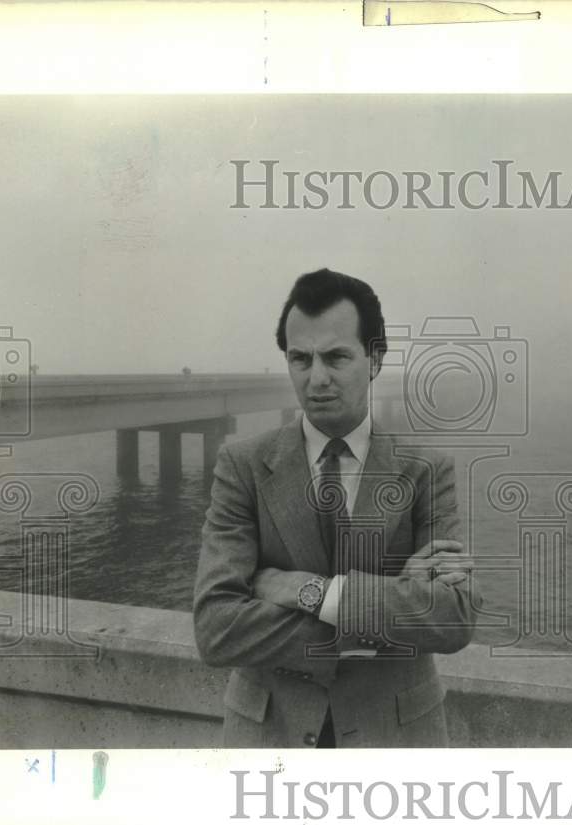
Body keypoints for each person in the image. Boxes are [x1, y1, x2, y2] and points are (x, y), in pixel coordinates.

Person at [193, 268, 480, 748]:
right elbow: (217, 629)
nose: (317, 379)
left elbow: (452, 617)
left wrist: (306, 592)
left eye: (337, 357)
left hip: (395, 745)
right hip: (271, 744)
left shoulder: (426, 470)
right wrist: (384, 614)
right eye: (300, 359)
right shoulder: (241, 465)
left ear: (375, 359)